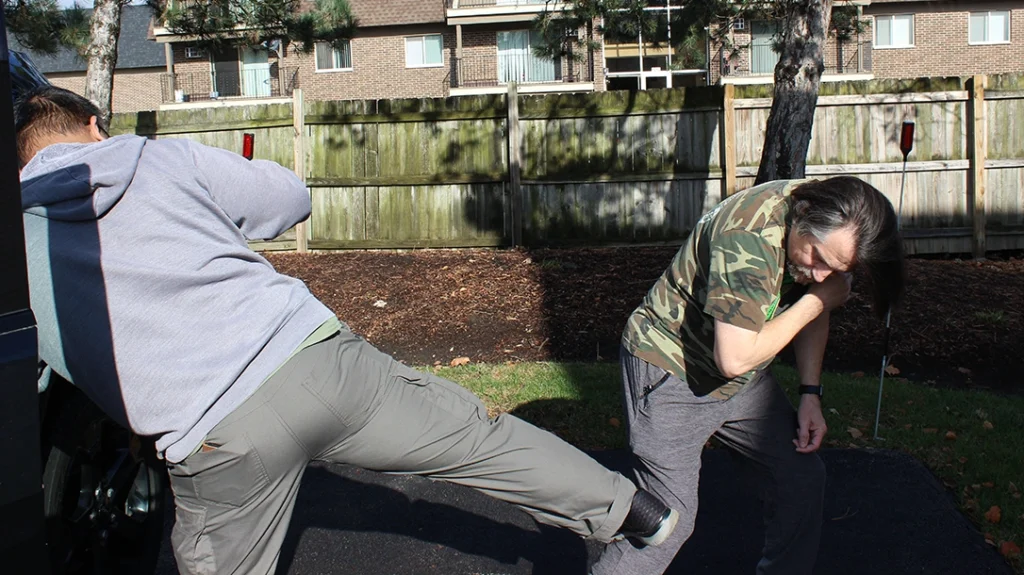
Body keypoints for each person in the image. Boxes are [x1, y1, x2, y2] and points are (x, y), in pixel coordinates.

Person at [15, 86, 679, 575]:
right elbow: (289, 198)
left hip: (218, 436)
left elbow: (47, 363)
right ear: (93, 125)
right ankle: (631, 510)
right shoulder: (158, 160)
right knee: (477, 438)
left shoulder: (16, 240)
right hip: (318, 362)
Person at [590, 177, 906, 575]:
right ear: (803, 213)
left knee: (800, 480)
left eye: (836, 270)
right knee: (666, 523)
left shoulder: (828, 220)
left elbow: (810, 310)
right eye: (818, 259)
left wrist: (810, 393)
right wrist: (816, 302)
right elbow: (735, 358)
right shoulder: (748, 236)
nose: (821, 275)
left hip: (743, 380)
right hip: (672, 371)